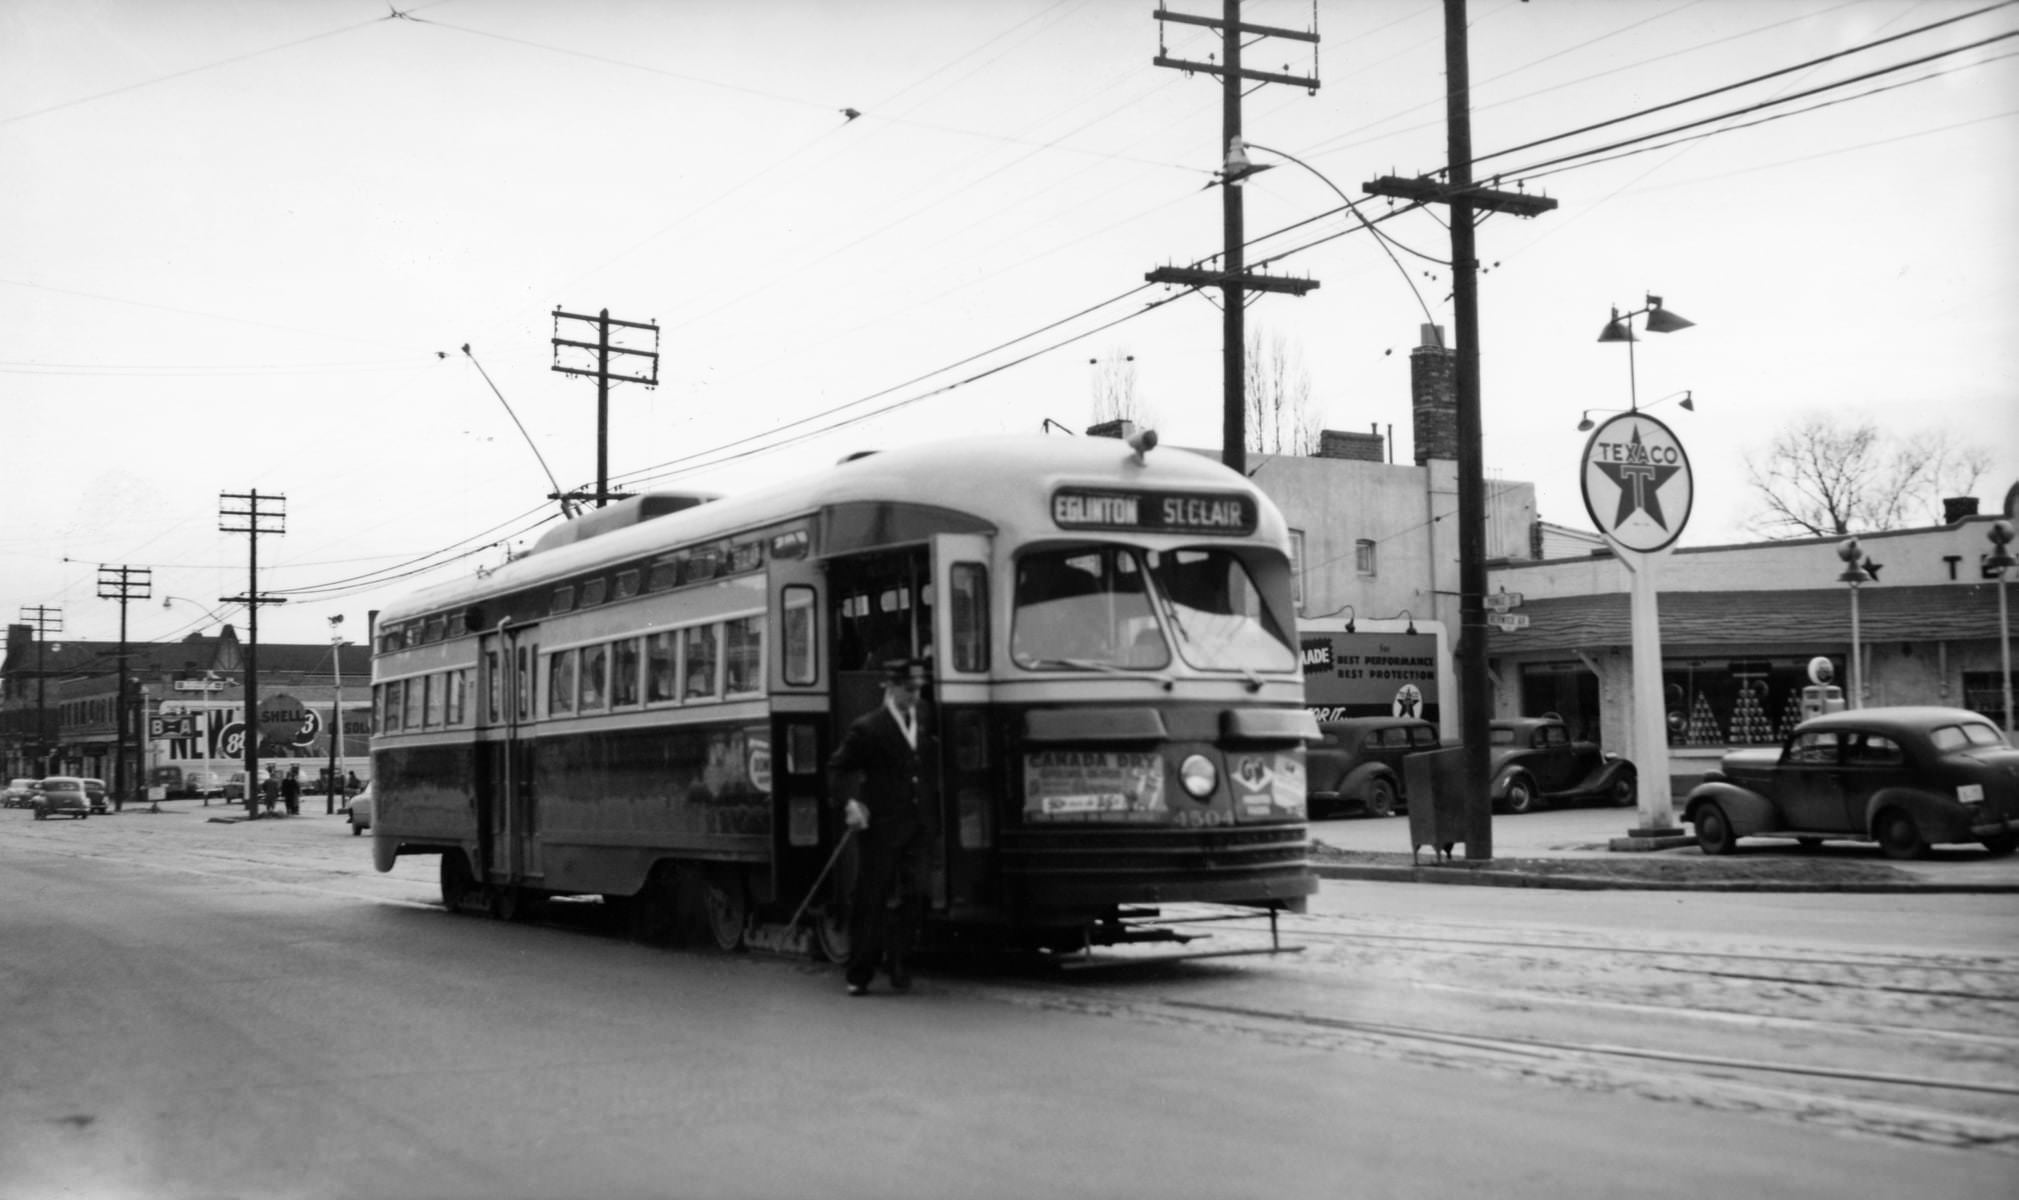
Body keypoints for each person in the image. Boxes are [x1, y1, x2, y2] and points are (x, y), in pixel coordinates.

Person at [827, 658, 936, 996]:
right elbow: (837, 769)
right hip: (882, 827)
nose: (914, 696)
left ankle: (900, 963)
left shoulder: (926, 716)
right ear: (890, 687)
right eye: (908, 689)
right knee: (872, 898)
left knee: (914, 896)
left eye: (917, 689)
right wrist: (850, 803)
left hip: (918, 825)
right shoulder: (868, 727)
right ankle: (859, 971)